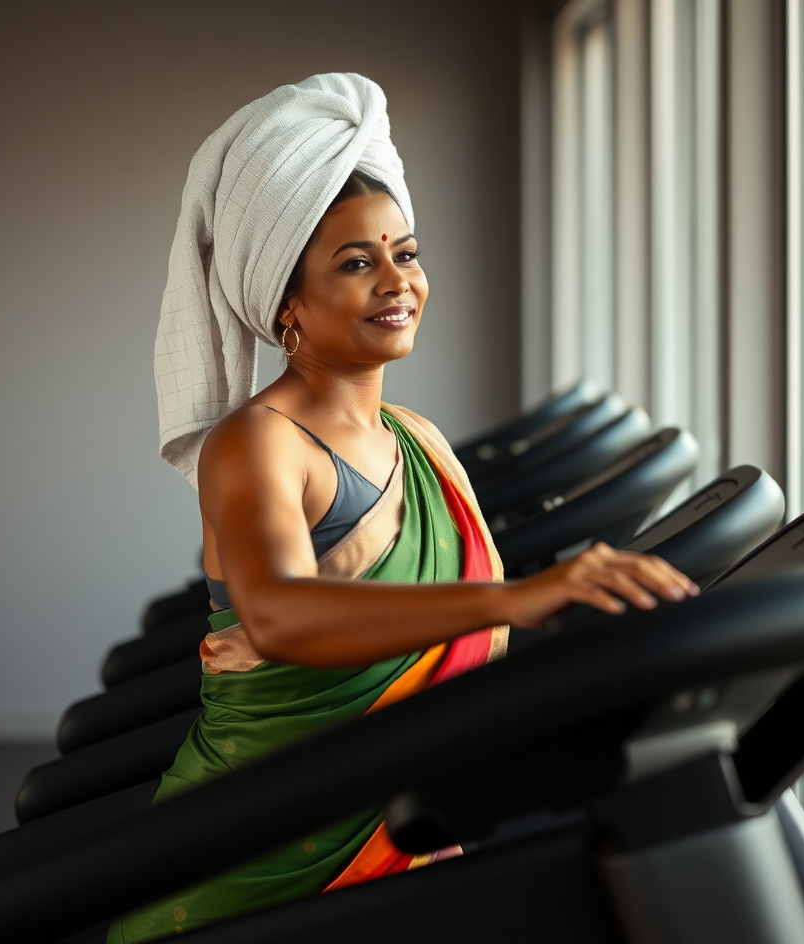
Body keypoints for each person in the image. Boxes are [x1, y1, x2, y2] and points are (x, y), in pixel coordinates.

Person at [109, 74, 697, 941]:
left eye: (406, 253)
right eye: (357, 262)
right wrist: (519, 595)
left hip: (407, 813)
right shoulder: (256, 444)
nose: (397, 280)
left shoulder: (417, 437)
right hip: (263, 846)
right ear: (288, 307)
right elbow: (280, 614)